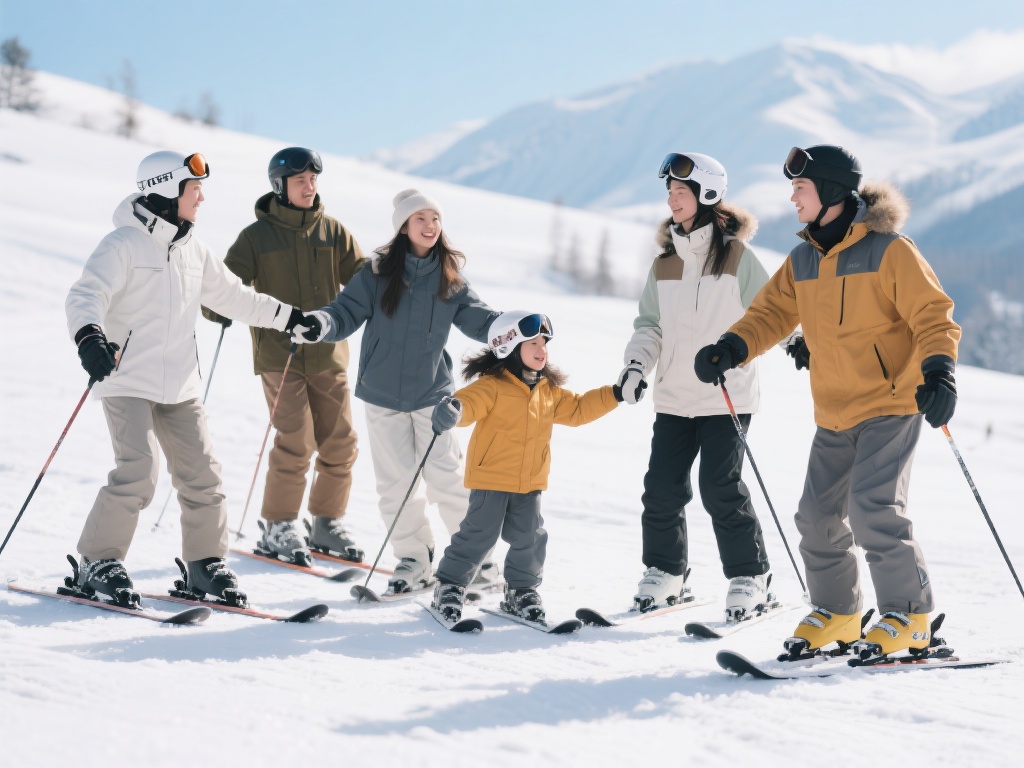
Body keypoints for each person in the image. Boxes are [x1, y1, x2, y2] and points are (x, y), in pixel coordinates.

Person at [694, 144, 960, 658]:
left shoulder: (889, 250)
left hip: (891, 403)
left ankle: (910, 616)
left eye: (801, 188)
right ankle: (839, 612)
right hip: (834, 410)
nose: (792, 198)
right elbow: (770, 314)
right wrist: (732, 346)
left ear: (833, 192)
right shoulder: (804, 259)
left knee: (873, 509)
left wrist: (939, 372)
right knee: (816, 518)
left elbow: (932, 314)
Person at [65, 150, 312, 606]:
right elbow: (86, 295)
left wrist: (289, 317)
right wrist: (89, 337)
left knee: (203, 475)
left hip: (180, 384)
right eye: (194, 189)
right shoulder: (123, 243)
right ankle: (97, 561)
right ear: (166, 189)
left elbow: (236, 298)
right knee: (138, 472)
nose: (201, 198)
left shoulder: (193, 249)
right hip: (126, 378)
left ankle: (205, 564)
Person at [290, 189, 502, 593]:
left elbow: (482, 320)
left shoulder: (449, 279)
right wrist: (320, 323)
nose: (429, 226)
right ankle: (413, 560)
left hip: (433, 398)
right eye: (420, 218)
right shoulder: (376, 274)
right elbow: (344, 312)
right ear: (403, 227)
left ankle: (480, 561)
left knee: (447, 479)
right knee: (395, 485)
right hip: (382, 395)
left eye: (435, 219)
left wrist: (512, 327)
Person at [617, 152, 774, 617]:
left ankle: (751, 576)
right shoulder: (664, 263)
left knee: (719, 487)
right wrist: (635, 367)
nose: (672, 200)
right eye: (669, 192)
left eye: (681, 192)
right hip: (673, 397)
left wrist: (798, 342)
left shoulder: (737, 257)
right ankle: (666, 571)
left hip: (726, 395)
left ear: (707, 194)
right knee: (660, 488)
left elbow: (771, 312)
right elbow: (650, 325)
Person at [202, 147, 366, 565]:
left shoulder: (333, 231)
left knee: (341, 440)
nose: (309, 187)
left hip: (329, 353)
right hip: (280, 355)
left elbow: (364, 282)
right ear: (280, 186)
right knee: (296, 440)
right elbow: (223, 289)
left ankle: (327, 522)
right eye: (300, 181)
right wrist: (218, 310)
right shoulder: (255, 238)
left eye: (313, 179)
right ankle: (279, 525)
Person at [428, 311, 622, 624]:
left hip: (530, 482)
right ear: (509, 346)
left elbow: (579, 409)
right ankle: (449, 585)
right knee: (478, 536)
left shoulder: (548, 392)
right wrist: (455, 409)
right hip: (491, 478)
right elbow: (469, 403)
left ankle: (521, 591)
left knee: (530, 538)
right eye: (533, 343)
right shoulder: (492, 386)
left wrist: (616, 394)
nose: (542, 350)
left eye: (544, 344)